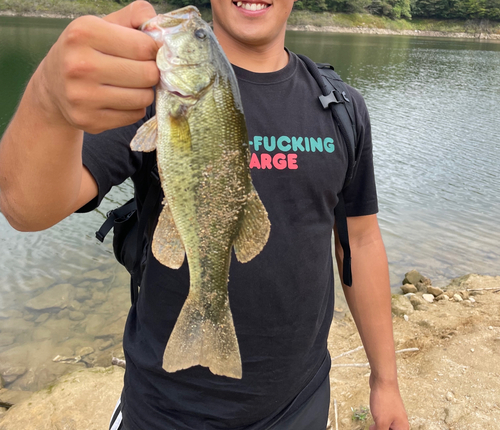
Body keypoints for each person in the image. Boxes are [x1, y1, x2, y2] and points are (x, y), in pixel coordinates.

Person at [0, 1, 409, 429]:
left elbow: (360, 243)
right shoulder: (145, 94)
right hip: (166, 411)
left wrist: (386, 380)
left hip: (301, 406)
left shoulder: (341, 106)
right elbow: (25, 208)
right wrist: (48, 99)